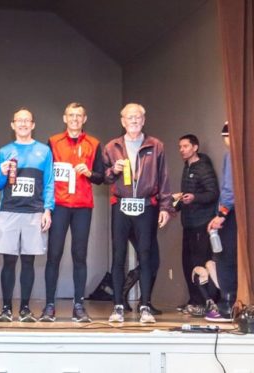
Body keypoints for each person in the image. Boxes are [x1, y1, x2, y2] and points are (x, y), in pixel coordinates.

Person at [103, 103, 172, 324]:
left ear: (143, 120)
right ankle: (118, 306)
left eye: (138, 117)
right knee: (118, 255)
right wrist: (112, 170)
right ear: (122, 121)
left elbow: (164, 178)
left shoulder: (156, 145)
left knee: (146, 255)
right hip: (121, 205)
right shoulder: (112, 146)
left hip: (146, 205)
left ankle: (145, 306)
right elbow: (104, 177)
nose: (133, 121)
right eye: (129, 117)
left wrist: (165, 207)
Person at [41, 102, 104, 322]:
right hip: (58, 206)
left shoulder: (94, 144)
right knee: (54, 255)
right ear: (64, 118)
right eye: (71, 115)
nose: (75, 119)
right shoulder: (53, 141)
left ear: (84, 119)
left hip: (82, 207)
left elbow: (101, 176)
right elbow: (46, 174)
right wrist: (46, 207)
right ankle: (49, 306)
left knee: (79, 256)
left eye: (79, 115)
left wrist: (90, 173)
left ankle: (79, 306)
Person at [0, 108, 54, 322]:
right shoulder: (4, 151)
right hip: (9, 211)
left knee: (28, 262)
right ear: (12, 125)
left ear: (33, 124)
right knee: (8, 261)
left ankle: (25, 308)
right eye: (19, 120)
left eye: (27, 120)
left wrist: (48, 209)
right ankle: (6, 308)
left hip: (34, 213)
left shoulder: (44, 151)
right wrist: (1, 172)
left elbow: (48, 182)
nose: (23, 124)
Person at [173, 134, 219, 316]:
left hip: (201, 223)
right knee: (187, 263)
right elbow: (189, 194)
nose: (182, 150)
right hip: (188, 223)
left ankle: (204, 301)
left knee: (200, 264)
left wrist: (194, 198)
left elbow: (212, 194)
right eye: (180, 147)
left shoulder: (203, 168)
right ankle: (194, 301)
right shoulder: (187, 167)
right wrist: (179, 200)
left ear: (195, 147)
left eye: (185, 146)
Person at [205, 123, 236, 322]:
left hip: (232, 214)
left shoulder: (232, 155)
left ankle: (228, 304)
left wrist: (221, 214)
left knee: (225, 258)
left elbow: (229, 189)